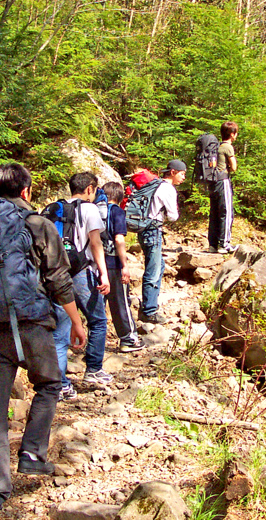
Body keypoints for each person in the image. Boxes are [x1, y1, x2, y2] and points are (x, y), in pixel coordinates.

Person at [0, 163, 86, 512]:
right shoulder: (37, 224)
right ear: (26, 191)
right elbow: (59, 278)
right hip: (31, 324)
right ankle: (31, 452)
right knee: (49, 384)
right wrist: (76, 322)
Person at [51, 172, 113, 397]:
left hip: (55, 273)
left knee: (60, 330)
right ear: (89, 189)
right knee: (97, 320)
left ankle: (60, 384)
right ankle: (94, 369)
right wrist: (104, 274)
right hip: (81, 272)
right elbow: (95, 243)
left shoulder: (52, 208)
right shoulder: (89, 209)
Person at [138, 159, 185, 324]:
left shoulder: (154, 184)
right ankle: (149, 311)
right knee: (153, 270)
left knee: (159, 266)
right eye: (182, 173)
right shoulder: (167, 189)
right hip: (153, 231)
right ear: (173, 172)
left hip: (143, 230)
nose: (183, 177)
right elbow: (173, 216)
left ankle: (150, 306)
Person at [102, 181, 145, 352]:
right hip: (113, 264)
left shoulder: (94, 211)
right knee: (120, 302)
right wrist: (125, 265)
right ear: (120, 198)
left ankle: (93, 341)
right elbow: (119, 239)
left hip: (95, 264)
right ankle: (128, 339)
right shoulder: (117, 212)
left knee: (98, 305)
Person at [208, 121, 239, 254]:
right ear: (232, 134)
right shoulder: (227, 147)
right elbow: (234, 167)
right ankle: (224, 244)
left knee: (215, 212)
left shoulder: (216, 147)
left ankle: (213, 245)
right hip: (223, 181)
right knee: (226, 212)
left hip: (213, 182)